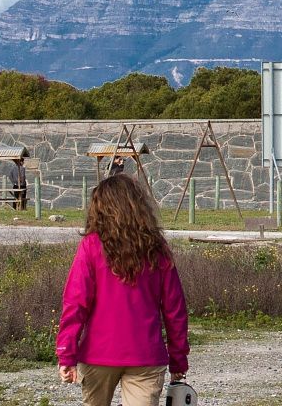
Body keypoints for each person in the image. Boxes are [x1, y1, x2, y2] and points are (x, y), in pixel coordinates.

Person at [56, 174, 190, 406]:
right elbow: (174, 310)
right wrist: (178, 359)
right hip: (145, 355)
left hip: (98, 354)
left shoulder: (91, 246)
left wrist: (66, 352)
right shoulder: (157, 249)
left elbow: (75, 302)